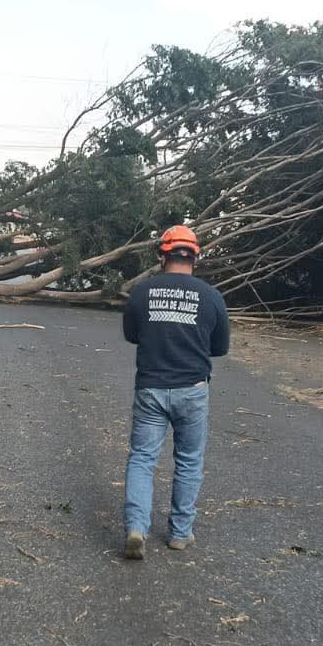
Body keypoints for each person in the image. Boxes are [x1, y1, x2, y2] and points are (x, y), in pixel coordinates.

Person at [120, 225, 229, 560]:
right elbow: (219, 348)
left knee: (142, 458)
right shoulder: (211, 297)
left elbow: (132, 335)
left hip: (151, 388)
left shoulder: (142, 292)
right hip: (193, 390)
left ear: (161, 255)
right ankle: (180, 534)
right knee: (189, 461)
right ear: (195, 256)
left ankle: (137, 527)